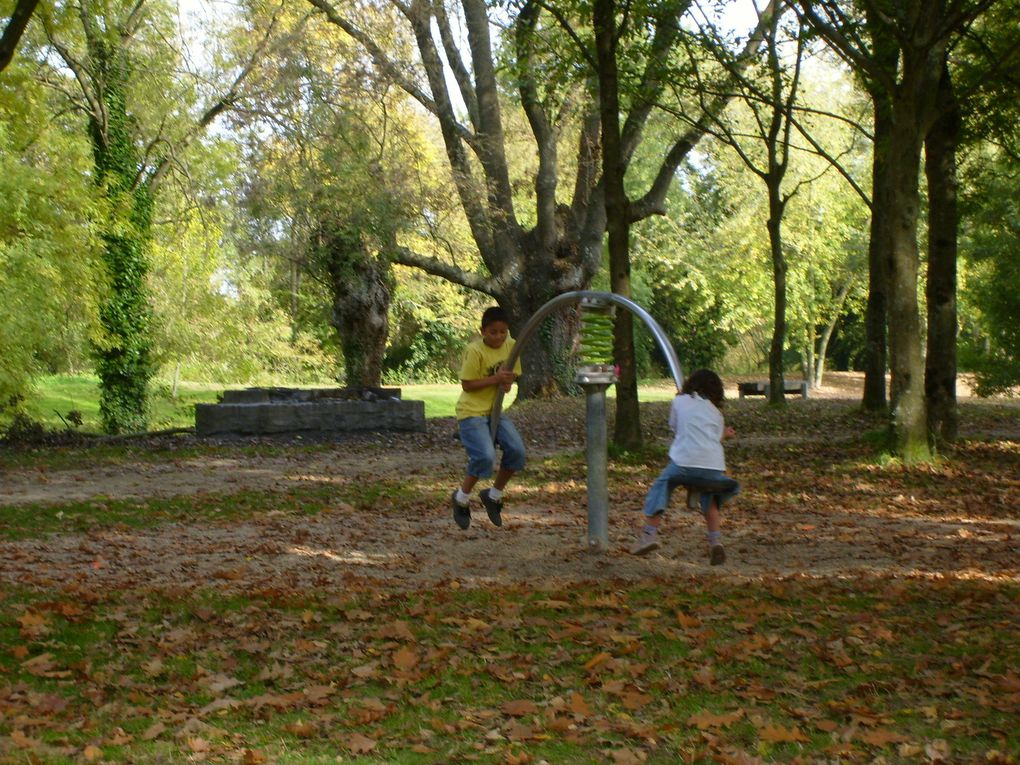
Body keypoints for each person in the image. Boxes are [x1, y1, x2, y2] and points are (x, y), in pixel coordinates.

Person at [630, 368, 739, 565]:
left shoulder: (679, 401)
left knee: (662, 485)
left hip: (683, 463)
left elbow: (674, 426)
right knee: (710, 498)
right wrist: (725, 434)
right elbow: (715, 439)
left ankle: (648, 536)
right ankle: (715, 541)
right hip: (713, 467)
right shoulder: (716, 413)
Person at [451, 306, 526, 529]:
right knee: (484, 456)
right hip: (471, 412)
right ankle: (461, 498)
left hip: (495, 411)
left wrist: (507, 381)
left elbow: (512, 376)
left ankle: (493, 496)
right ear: (483, 331)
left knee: (517, 451)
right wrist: (496, 379)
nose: (499, 337)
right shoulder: (474, 351)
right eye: (493, 332)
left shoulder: (512, 346)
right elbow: (467, 384)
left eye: (503, 332)